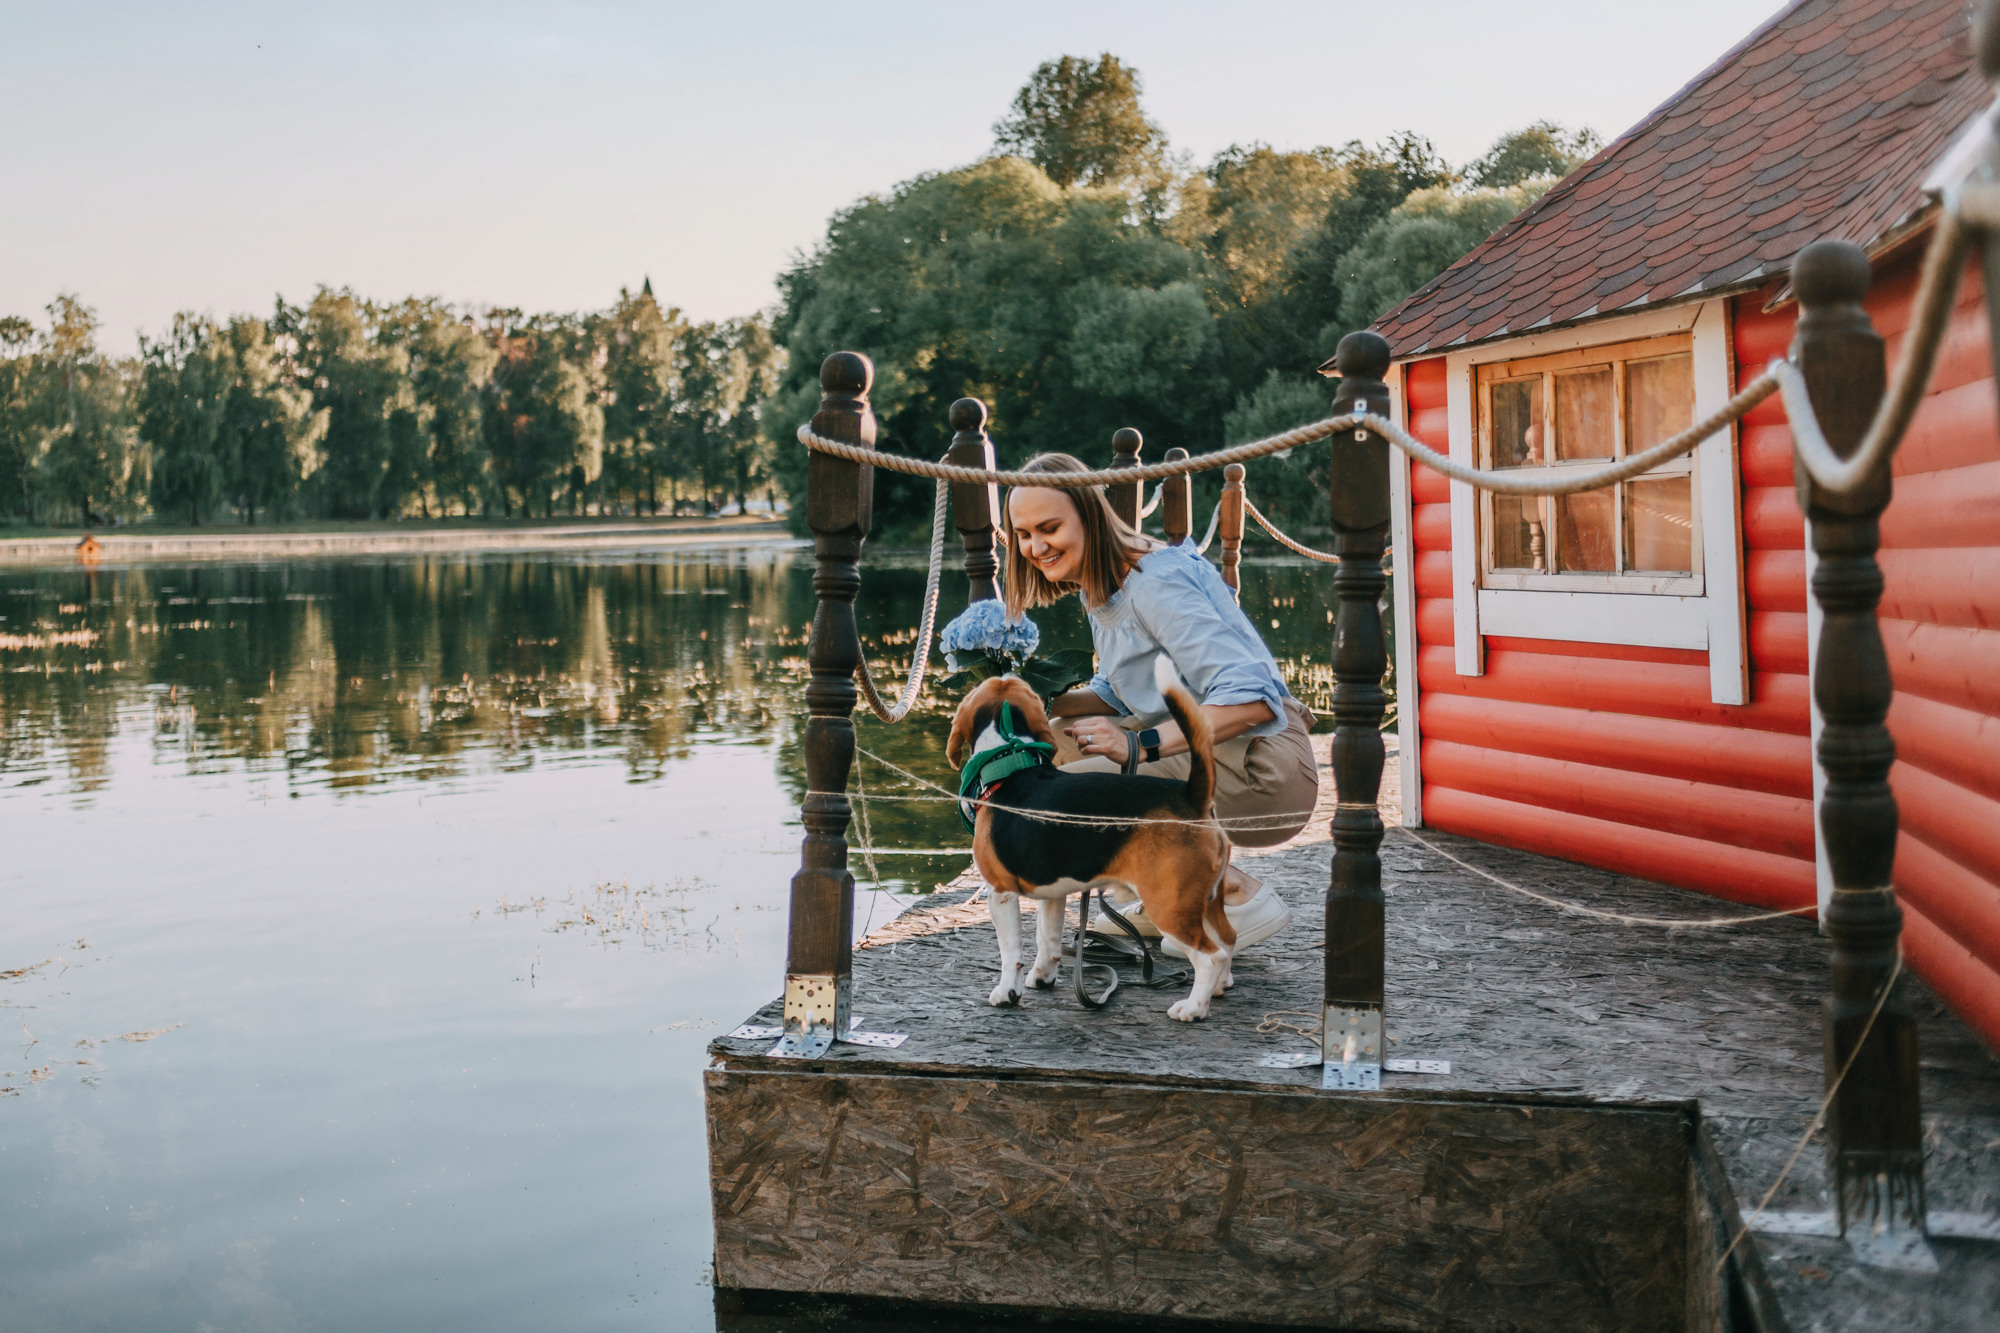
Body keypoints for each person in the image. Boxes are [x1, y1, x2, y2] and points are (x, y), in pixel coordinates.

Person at [1003, 452, 1317, 956]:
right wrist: (1029, 697)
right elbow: (1119, 689)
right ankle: (1160, 893)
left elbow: (1251, 701)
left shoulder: (1156, 584)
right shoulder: (1104, 582)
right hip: (1213, 754)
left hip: (1262, 770)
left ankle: (1234, 894)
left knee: (1065, 797)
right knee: (1052, 738)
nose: (1035, 547)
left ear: (1089, 513)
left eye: (1049, 527)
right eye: (1022, 534)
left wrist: (1138, 746)